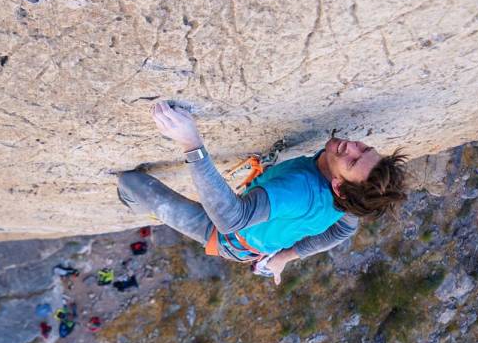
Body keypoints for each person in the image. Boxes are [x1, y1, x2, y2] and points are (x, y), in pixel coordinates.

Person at [117, 102, 407, 285]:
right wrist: (285, 257)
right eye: (365, 149)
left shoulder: (299, 191)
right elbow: (342, 231)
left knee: (132, 183)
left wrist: (191, 142)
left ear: (338, 186)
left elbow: (230, 219)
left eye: (353, 161)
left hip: (230, 238)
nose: (352, 146)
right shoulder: (349, 204)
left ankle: (136, 208)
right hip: (259, 235)